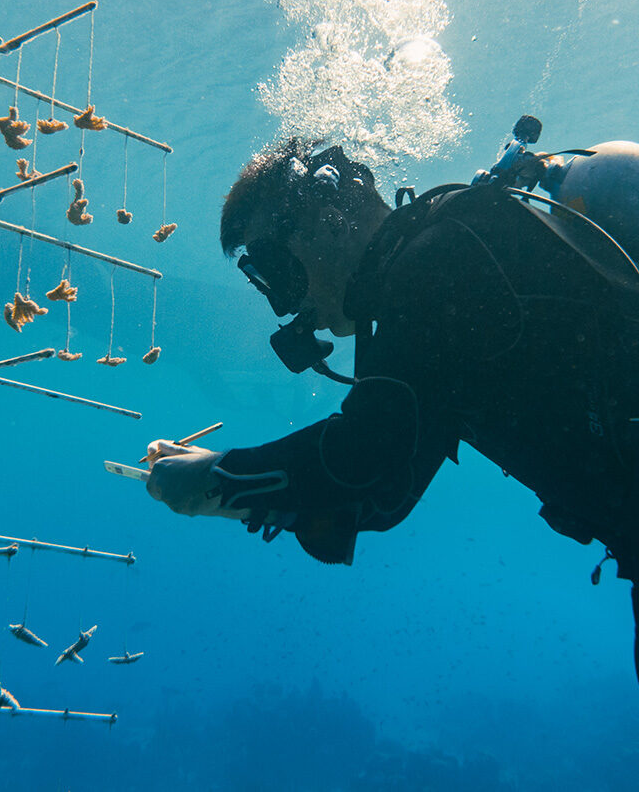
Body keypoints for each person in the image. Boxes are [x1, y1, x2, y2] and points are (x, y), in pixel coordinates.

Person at [145, 136, 639, 679]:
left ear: (330, 219)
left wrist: (222, 476)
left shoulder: (434, 266)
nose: (285, 303)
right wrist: (228, 491)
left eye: (274, 269)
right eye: (263, 282)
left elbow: (366, 462)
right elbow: (385, 496)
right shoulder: (435, 264)